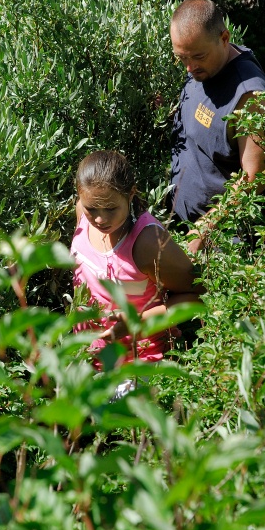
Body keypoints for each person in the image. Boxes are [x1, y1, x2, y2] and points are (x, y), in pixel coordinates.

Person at [70, 150, 202, 373]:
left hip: (137, 368)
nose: (100, 219)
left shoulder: (147, 241)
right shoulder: (82, 212)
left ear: (130, 195)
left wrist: (138, 323)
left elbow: (197, 295)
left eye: (111, 208)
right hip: (85, 362)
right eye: (92, 208)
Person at [169, 0, 265, 254]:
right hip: (180, 224)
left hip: (217, 244)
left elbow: (255, 177)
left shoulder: (249, 96)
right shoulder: (202, 65)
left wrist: (206, 227)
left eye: (197, 57)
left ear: (224, 38)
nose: (190, 67)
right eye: (181, 58)